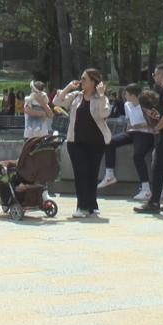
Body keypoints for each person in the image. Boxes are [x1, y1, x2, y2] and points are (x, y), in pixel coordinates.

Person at [53, 69, 111, 218]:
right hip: (76, 142)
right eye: (81, 78)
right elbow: (56, 102)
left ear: (93, 82)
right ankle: (82, 207)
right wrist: (68, 87)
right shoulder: (76, 96)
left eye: (85, 79)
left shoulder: (101, 98)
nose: (81, 81)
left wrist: (102, 94)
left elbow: (104, 113)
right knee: (81, 174)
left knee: (92, 174)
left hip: (96, 142)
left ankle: (92, 205)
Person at [98, 84, 155, 201]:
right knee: (110, 141)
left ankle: (146, 189)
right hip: (132, 132)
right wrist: (129, 130)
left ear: (133, 96)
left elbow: (152, 123)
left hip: (145, 133)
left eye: (126, 94)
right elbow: (129, 122)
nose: (124, 96)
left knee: (138, 155)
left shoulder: (145, 105)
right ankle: (109, 174)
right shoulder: (127, 105)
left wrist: (137, 126)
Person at [135, 65, 163, 214]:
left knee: (158, 168)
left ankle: (154, 202)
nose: (154, 78)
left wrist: (158, 127)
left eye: (154, 75)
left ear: (160, 75)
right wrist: (160, 118)